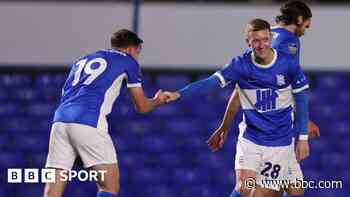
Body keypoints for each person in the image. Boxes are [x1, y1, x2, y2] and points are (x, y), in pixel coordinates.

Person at [164, 18, 309, 197]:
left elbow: (301, 99)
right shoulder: (240, 65)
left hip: (280, 142)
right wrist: (179, 94)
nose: (261, 45)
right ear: (248, 42)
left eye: (265, 39)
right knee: (245, 188)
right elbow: (211, 83)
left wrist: (302, 137)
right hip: (251, 138)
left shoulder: (288, 64)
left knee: (293, 191)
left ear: (271, 38)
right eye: (256, 40)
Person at [206, 1, 319, 196]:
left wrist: (224, 126)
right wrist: (304, 121)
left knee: (291, 189)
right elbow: (282, 89)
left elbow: (243, 89)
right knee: (263, 190)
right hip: (272, 133)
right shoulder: (289, 41)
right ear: (300, 19)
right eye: (307, 24)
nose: (307, 29)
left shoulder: (269, 34)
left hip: (272, 128)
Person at [43, 29, 167, 197]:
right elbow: (142, 106)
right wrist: (157, 101)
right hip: (89, 121)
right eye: (138, 52)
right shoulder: (129, 62)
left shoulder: (83, 60)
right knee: (109, 187)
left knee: (52, 189)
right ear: (132, 49)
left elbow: (66, 93)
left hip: (59, 122)